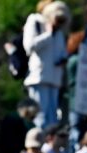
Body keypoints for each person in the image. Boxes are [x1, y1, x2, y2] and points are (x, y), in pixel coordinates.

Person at [23, 1, 69, 129]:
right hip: (39, 77)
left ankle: (50, 145)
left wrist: (63, 59)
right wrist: (48, 35)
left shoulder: (59, 31)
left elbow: (62, 52)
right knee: (40, 117)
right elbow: (29, 46)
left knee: (53, 119)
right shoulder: (35, 21)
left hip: (55, 79)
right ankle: (39, 145)